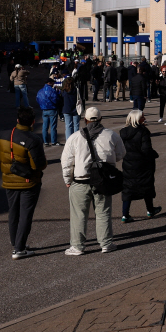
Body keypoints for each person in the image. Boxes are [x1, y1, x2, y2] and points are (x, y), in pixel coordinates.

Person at [61, 106, 125, 255]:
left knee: (79, 215)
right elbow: (121, 154)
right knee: (103, 212)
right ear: (101, 119)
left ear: (85, 120)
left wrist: (67, 179)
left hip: (80, 180)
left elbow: (66, 161)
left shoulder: (75, 137)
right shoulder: (111, 135)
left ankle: (77, 246)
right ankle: (106, 243)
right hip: (103, 180)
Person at [0, 107, 47, 259]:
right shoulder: (33, 140)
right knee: (25, 215)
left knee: (13, 212)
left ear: (17, 120)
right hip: (28, 182)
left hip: (9, 180)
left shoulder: (2, 135)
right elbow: (39, 165)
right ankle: (19, 248)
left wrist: (6, 169)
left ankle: (16, 242)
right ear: (33, 122)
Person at [120, 109, 161, 222]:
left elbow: (120, 149)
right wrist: (153, 154)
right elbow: (146, 149)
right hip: (143, 164)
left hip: (128, 164)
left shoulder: (123, 132)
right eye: (143, 117)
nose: (145, 118)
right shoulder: (143, 131)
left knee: (128, 188)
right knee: (146, 186)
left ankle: (125, 214)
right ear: (137, 119)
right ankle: (150, 210)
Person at [36, 79, 61, 146]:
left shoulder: (40, 91)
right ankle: (53, 141)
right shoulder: (52, 91)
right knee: (53, 126)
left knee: (45, 126)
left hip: (44, 110)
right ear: (50, 83)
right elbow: (56, 99)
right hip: (52, 109)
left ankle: (45, 141)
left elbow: (38, 99)